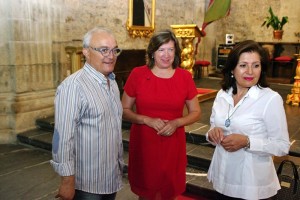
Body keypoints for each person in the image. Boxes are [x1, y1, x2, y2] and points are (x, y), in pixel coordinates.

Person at [122, 29, 201, 200]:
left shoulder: (184, 77)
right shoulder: (138, 74)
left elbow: (196, 112)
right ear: (152, 52)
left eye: (171, 49)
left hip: (172, 143)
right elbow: (124, 111)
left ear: (176, 52)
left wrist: (177, 123)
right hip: (145, 143)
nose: (166, 55)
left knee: (169, 191)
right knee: (146, 192)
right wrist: (145, 119)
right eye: (161, 50)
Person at [206, 40, 290, 200]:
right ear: (232, 68)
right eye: (243, 65)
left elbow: (282, 146)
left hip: (250, 185)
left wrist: (247, 142)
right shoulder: (222, 94)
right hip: (222, 176)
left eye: (256, 65)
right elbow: (212, 126)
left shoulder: (270, 99)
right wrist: (212, 134)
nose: (250, 71)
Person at [50, 26, 124, 200]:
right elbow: (63, 138)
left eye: (114, 50)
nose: (111, 56)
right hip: (86, 183)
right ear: (86, 52)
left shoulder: (112, 83)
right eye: (104, 50)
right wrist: (67, 181)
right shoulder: (73, 87)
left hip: (109, 177)